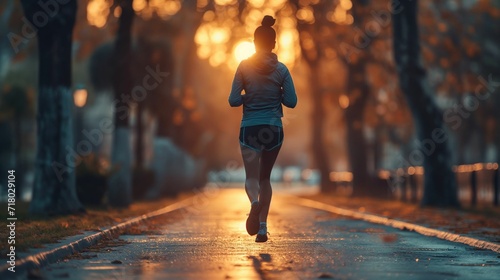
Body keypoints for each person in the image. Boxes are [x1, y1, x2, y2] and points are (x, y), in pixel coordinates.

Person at [228, 15, 297, 243]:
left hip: (249, 129)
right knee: (266, 178)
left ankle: (254, 203)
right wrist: (275, 92)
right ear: (274, 44)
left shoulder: (243, 67)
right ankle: (263, 228)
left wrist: (249, 96)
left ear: (254, 43)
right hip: (273, 129)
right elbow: (292, 101)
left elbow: (233, 100)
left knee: (252, 177)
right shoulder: (282, 70)